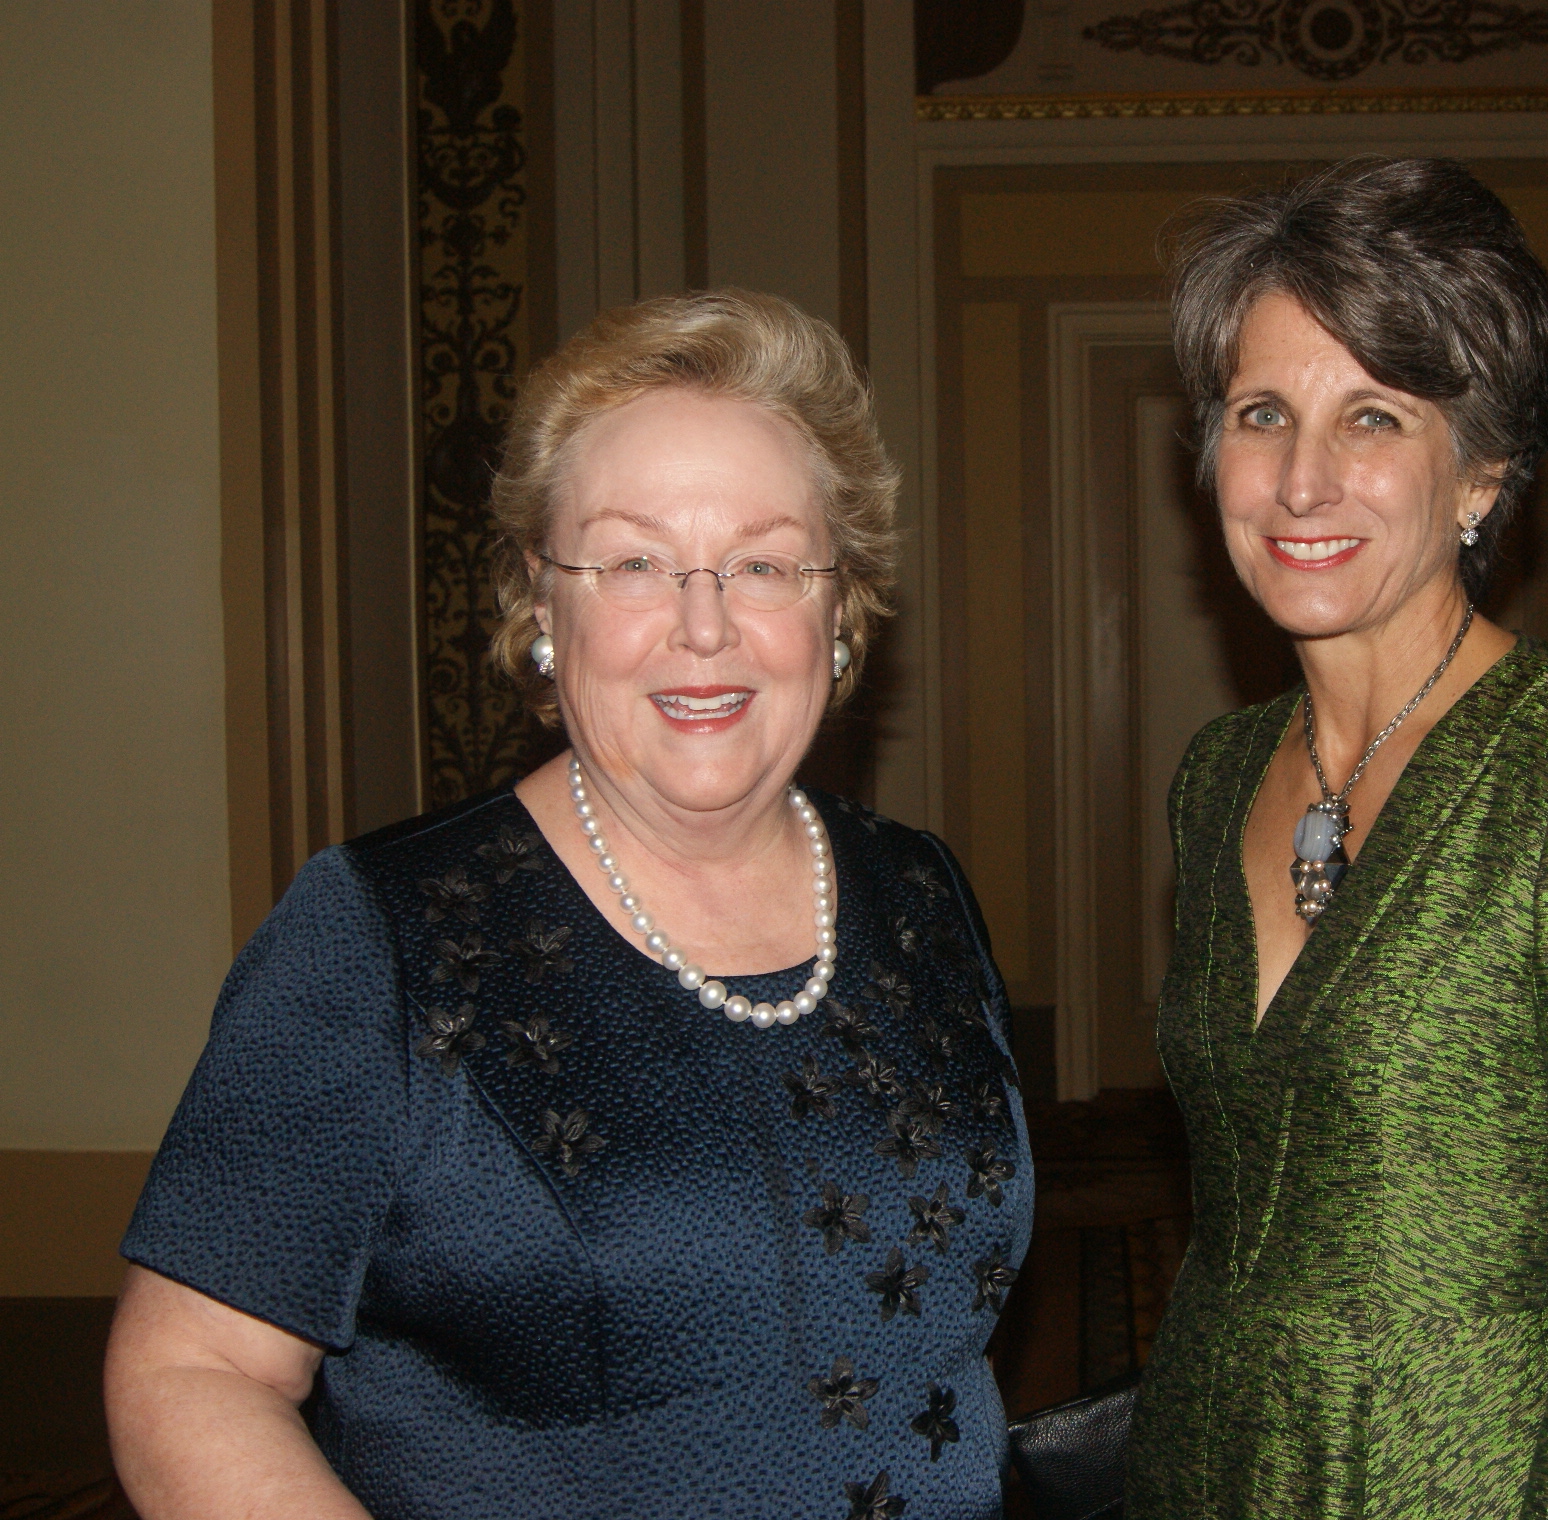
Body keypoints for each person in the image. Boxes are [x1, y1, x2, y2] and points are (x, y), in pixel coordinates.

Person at [104, 291, 1031, 1519]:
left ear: (838, 605)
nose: (703, 625)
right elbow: (191, 1371)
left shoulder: (919, 891)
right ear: (543, 601)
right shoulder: (383, 933)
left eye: (762, 563)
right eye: (633, 561)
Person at [1123, 157, 1548, 1516]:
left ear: (1481, 471)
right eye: (1262, 413)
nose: (1300, 481)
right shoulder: (1218, 775)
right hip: (1209, 1465)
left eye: (1373, 417)